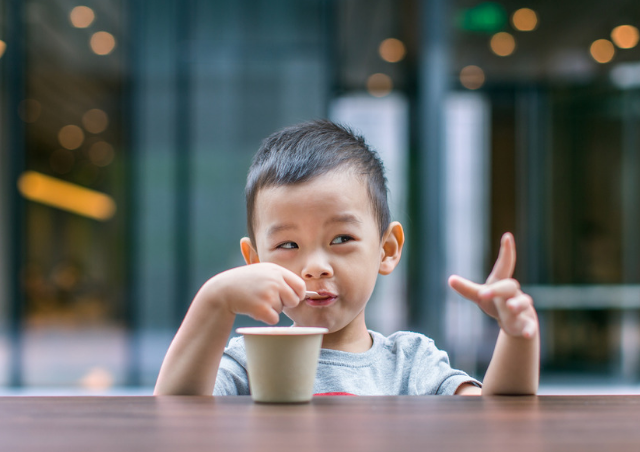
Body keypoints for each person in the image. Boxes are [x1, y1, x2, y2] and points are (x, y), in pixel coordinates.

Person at [154, 120, 539, 396]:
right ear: (254, 261)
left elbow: (492, 423)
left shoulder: (410, 364)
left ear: (387, 250)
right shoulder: (248, 361)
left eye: (341, 238)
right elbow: (174, 414)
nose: (315, 266)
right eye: (288, 245)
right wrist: (214, 301)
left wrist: (518, 336)